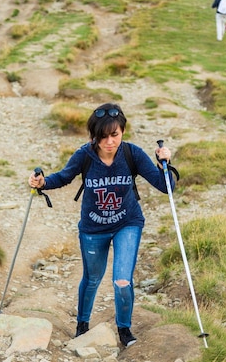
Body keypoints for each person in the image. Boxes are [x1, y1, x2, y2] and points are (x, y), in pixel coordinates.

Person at [28, 103, 175, 348]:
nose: (109, 142)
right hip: (92, 228)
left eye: (114, 135)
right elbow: (63, 177)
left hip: (127, 223)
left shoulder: (132, 154)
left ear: (123, 132)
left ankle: (125, 331)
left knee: (122, 280)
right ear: (93, 136)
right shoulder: (84, 155)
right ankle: (82, 325)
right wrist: (41, 183)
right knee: (92, 277)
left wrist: (165, 165)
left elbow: (165, 186)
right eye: (102, 136)